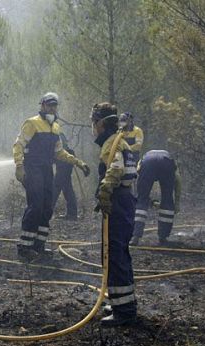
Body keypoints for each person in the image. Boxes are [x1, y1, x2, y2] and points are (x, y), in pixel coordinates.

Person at [13, 92, 90, 259]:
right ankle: (25, 247)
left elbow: (59, 152)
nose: (52, 108)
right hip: (32, 169)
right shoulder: (32, 123)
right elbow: (18, 145)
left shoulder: (55, 128)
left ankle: (39, 245)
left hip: (47, 170)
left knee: (48, 206)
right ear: (42, 105)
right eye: (49, 105)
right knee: (36, 205)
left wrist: (77, 162)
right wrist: (19, 166)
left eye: (54, 105)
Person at [91, 102, 138, 327]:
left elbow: (116, 169)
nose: (93, 127)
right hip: (125, 201)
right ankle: (120, 302)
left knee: (114, 253)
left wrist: (105, 190)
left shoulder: (112, 143)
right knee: (118, 252)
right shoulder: (122, 142)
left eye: (94, 123)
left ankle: (125, 312)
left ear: (100, 123)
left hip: (118, 203)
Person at [131, 150, 181, 246]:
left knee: (141, 201)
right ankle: (163, 237)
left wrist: (147, 200)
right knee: (167, 200)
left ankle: (135, 236)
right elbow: (178, 181)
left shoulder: (143, 160)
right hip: (166, 164)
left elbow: (140, 188)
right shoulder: (172, 161)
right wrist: (177, 203)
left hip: (148, 163)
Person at [53, 131, 78, 220]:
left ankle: (46, 213)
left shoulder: (58, 137)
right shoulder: (70, 151)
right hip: (65, 173)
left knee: (53, 192)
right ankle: (72, 214)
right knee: (68, 191)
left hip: (61, 173)